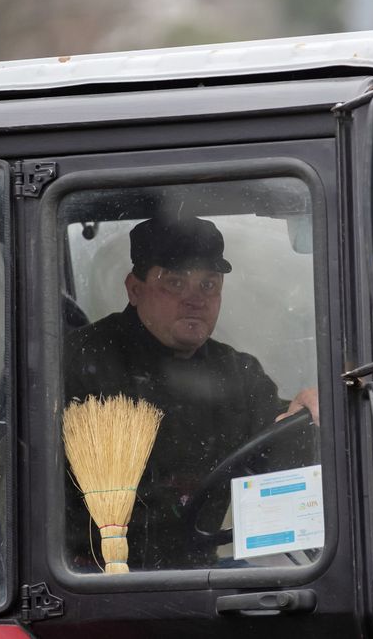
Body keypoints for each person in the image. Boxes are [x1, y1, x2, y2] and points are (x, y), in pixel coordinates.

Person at [63, 214, 318, 571]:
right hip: (92, 583)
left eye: (208, 285)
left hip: (201, 577)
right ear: (135, 289)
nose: (195, 299)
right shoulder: (77, 362)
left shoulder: (238, 373)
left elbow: (279, 451)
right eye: (175, 283)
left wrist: (307, 414)